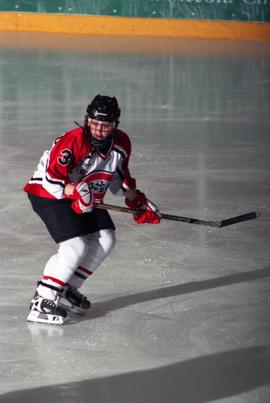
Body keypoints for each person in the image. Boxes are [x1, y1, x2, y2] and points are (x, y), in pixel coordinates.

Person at [23, 94, 161, 325]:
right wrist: (73, 191)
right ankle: (42, 300)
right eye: (94, 123)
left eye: (105, 125)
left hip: (85, 195)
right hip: (50, 193)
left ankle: (67, 288)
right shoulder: (73, 140)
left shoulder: (121, 143)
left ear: (115, 125)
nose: (98, 129)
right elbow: (50, 177)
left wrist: (137, 201)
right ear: (87, 120)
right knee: (74, 246)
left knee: (106, 239)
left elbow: (119, 178)